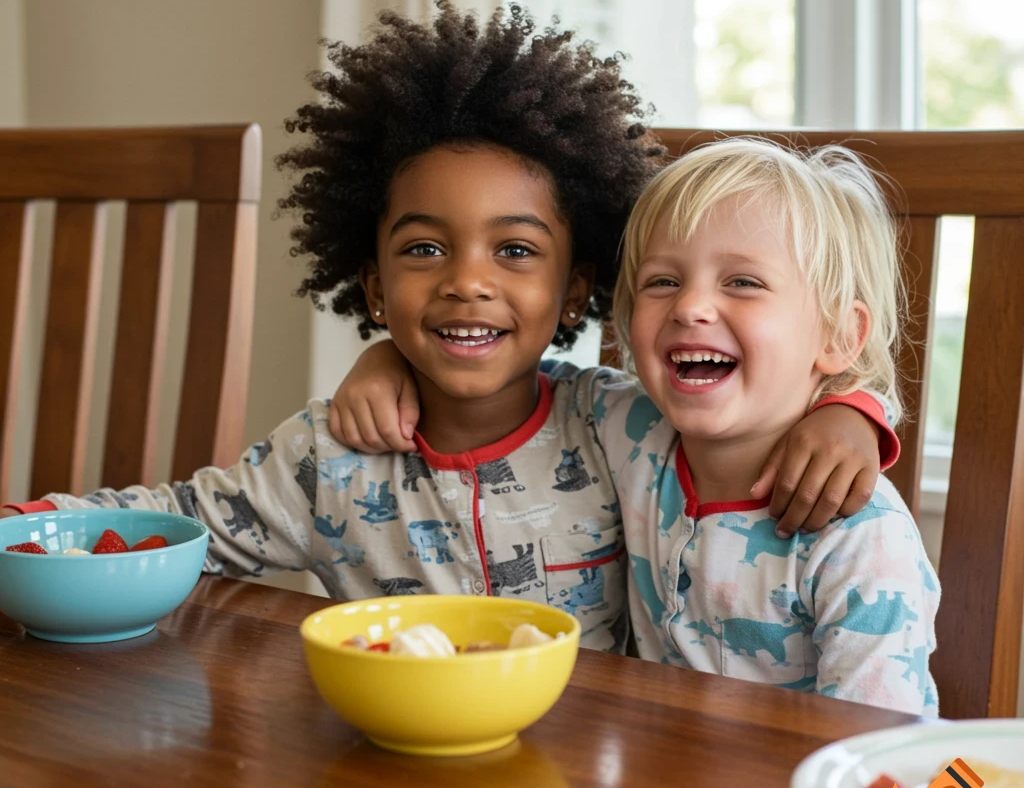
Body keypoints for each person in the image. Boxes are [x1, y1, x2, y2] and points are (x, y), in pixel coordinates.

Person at [1, 4, 893, 657]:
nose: (467, 280)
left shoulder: (624, 429)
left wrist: (850, 412)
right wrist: (34, 523)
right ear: (374, 287)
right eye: (424, 249)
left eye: (515, 250)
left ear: (576, 287)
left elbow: (742, 414)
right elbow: (185, 519)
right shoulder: (324, 457)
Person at [330, 137, 938, 713]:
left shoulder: (860, 538)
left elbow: (895, 757)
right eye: (663, 282)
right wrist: (387, 357)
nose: (690, 306)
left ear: (837, 336)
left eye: (743, 283)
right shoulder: (626, 429)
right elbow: (495, 372)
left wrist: (856, 410)